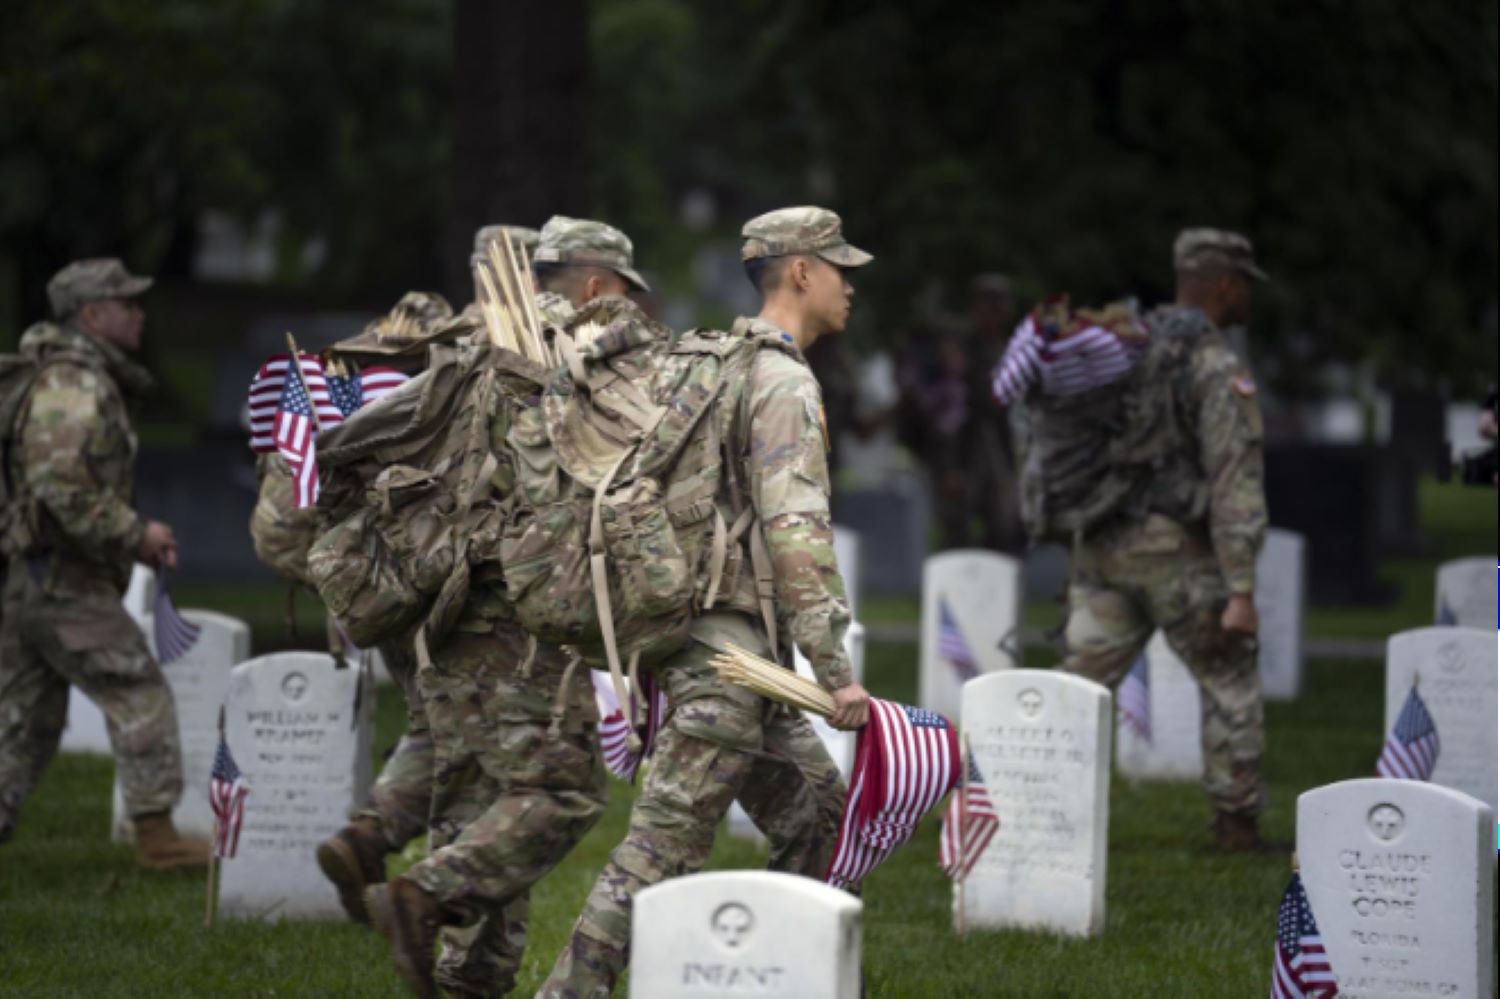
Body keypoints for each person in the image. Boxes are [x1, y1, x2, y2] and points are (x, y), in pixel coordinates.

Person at [539, 206, 874, 997]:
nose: (850, 285)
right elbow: (797, 531)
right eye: (839, 268)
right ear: (801, 271)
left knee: (825, 819)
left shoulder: (716, 361)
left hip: (737, 658)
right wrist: (836, 668)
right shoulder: (782, 378)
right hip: (723, 666)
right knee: (659, 851)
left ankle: (791, 978)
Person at [363, 216, 647, 999]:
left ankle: (468, 979)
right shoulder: (557, 352)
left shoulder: (456, 344)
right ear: (593, 285)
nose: (625, 307)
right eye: (622, 289)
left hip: (439, 598)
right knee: (562, 788)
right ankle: (427, 892)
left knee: (481, 789)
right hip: (514, 608)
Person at [242, 290, 468, 923]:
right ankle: (408, 858)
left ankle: (370, 838)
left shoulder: (338, 374)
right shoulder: (408, 387)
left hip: (337, 570)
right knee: (453, 726)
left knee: (435, 719)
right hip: (400, 579)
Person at [1055, 228, 1270, 851]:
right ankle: (1236, 825)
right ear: (1226, 286)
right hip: (1175, 554)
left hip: (1100, 546)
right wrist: (1241, 588)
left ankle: (1032, 805)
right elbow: (1235, 482)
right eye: (1243, 288)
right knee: (1229, 676)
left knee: (1078, 688)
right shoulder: (1214, 366)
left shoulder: (1121, 351)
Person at [0, 259, 206, 868]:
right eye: (127, 304)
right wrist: (135, 532)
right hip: (64, 579)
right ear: (91, 315)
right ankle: (157, 837)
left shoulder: (71, 376)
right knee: (137, 687)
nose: (140, 314)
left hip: (31, 576)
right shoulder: (74, 383)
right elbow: (58, 484)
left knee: (24, 719)